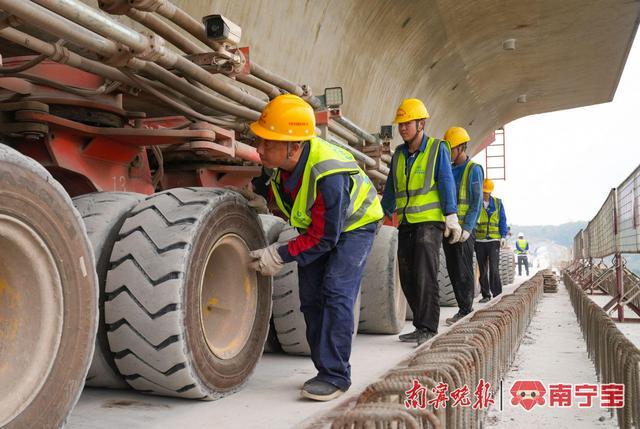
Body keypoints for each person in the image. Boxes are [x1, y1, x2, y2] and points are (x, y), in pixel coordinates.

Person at [247, 94, 383, 402]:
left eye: (269, 143)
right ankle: (323, 369)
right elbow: (287, 200)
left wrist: (279, 254)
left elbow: (325, 239)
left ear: (294, 147)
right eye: (261, 141)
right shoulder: (275, 165)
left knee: (335, 291)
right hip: (320, 229)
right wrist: (258, 198)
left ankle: (336, 375)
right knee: (310, 297)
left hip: (356, 226)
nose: (259, 149)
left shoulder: (328, 174)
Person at [380, 98, 460, 346]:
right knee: (407, 275)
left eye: (407, 123)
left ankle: (428, 327)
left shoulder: (437, 149)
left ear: (421, 124)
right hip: (406, 223)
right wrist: (377, 216)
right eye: (400, 124)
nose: (402, 128)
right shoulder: (399, 155)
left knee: (425, 275)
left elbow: (446, 182)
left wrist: (451, 215)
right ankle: (419, 325)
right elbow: (391, 192)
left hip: (429, 223)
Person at [441, 127, 484, 325]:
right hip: (449, 228)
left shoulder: (473, 169)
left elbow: (475, 202)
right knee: (453, 268)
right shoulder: (448, 168)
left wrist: (467, 228)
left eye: (451, 148)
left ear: (460, 147)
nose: (449, 152)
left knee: (464, 268)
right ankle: (462, 307)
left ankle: (466, 309)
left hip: (465, 230)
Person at [475, 178, 508, 302]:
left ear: (490, 192)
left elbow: (503, 220)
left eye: (486, 192)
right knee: (482, 270)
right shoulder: (477, 203)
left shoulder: (498, 204)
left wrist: (503, 236)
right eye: (483, 192)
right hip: (479, 241)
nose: (484, 194)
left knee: (494, 268)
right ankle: (486, 295)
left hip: (493, 241)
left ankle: (497, 294)